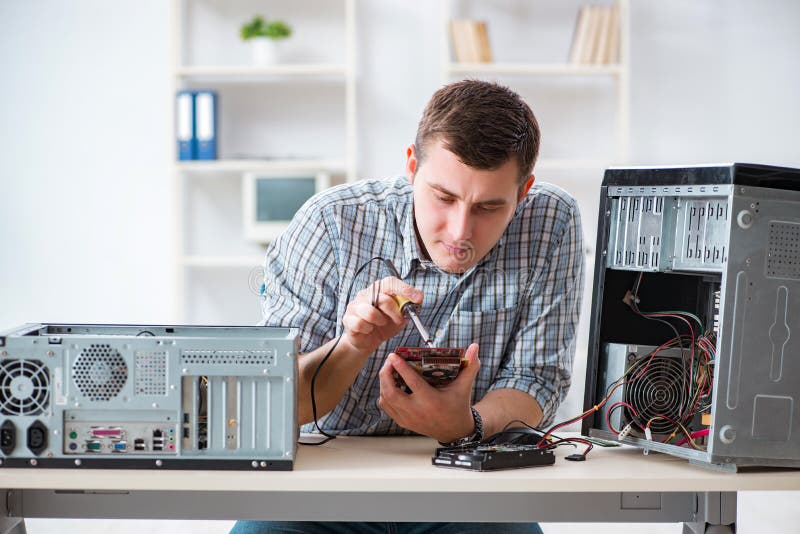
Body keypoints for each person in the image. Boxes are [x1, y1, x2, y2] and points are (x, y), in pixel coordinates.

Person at [231, 79, 585, 534]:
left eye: (489, 207)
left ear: (523, 191)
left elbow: (536, 379)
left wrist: (467, 424)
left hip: (470, 483)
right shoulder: (330, 223)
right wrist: (353, 345)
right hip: (324, 485)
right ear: (412, 166)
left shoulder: (550, 221)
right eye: (444, 197)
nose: (460, 232)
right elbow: (275, 403)